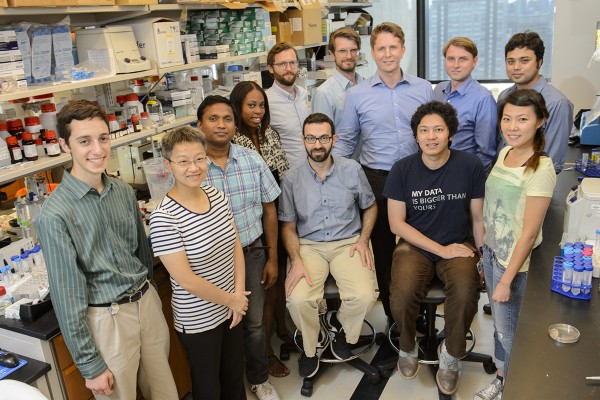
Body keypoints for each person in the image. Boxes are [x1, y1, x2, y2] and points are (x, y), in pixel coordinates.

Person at [36, 100, 178, 399]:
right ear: (64, 145)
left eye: (103, 138)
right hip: (107, 320)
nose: (98, 149)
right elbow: (67, 295)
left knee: (165, 391)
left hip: (146, 304)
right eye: (84, 141)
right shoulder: (54, 214)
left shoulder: (123, 191)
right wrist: (89, 363)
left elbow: (141, 254)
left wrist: (151, 295)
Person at [334, 22, 434, 322]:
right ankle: (395, 319)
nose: (387, 54)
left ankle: (417, 313)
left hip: (418, 176)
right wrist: (329, 177)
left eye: (393, 47)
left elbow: (434, 133)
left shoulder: (423, 88)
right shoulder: (357, 94)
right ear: (373, 52)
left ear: (403, 49)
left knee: (420, 245)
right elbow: (347, 140)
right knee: (383, 249)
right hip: (376, 179)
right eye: (381, 48)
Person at [383, 101, 485, 396]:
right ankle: (407, 346)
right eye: (424, 130)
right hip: (415, 245)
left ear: (450, 133)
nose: (431, 136)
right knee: (401, 292)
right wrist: (440, 250)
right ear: (416, 136)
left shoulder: (470, 166)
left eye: (438, 129)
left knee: (466, 290)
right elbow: (396, 224)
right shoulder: (402, 169)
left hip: (458, 244)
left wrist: (483, 261)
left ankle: (451, 356)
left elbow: (478, 219)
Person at [150, 126, 248, 400]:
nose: (193, 168)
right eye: (183, 161)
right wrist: (232, 300)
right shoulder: (164, 218)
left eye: (199, 159)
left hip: (232, 307)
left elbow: (235, 245)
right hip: (199, 319)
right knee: (209, 389)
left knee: (234, 378)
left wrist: (238, 294)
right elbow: (186, 279)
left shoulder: (217, 195)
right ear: (168, 165)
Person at [279, 113, 378, 378]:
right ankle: (312, 347)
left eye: (323, 138)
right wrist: (296, 259)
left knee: (365, 295)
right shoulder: (291, 178)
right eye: (311, 138)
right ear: (303, 140)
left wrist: (363, 240)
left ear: (334, 139)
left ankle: (341, 328)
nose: (318, 145)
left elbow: (370, 207)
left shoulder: (352, 169)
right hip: (308, 246)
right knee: (298, 299)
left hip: (348, 242)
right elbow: (288, 225)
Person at [198, 95, 281, 400]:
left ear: (235, 124)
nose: (221, 125)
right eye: (213, 119)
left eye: (227, 119)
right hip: (211, 261)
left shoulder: (251, 159)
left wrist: (272, 257)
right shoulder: (193, 167)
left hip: (252, 252)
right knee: (221, 325)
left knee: (254, 323)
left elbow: (270, 210)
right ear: (200, 125)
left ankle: (258, 379)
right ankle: (228, 385)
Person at [474, 89, 556, 400]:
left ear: (540, 121)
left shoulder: (541, 168)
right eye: (507, 119)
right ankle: (501, 379)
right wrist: (485, 252)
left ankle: (515, 390)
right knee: (499, 328)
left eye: (522, 119)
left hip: (514, 265)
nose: (512, 126)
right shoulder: (505, 153)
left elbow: (530, 232)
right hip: (493, 253)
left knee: (510, 335)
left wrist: (506, 280)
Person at [230, 81, 291, 378]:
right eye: (251, 105)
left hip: (276, 215)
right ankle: (265, 352)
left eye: (261, 105)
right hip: (253, 221)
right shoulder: (233, 141)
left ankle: (281, 330)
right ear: (237, 107)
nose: (258, 111)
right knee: (262, 289)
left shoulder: (270, 134)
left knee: (277, 280)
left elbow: (283, 175)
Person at [497, 31, 573, 174]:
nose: (516, 67)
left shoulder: (557, 103)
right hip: (501, 175)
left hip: (532, 179)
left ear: (539, 62)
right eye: (511, 61)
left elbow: (553, 161)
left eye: (524, 61)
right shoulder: (504, 96)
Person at [433, 37, 497, 170]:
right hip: (434, 168)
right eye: (451, 59)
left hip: (463, 172)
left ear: (474, 61)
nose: (456, 65)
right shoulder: (439, 90)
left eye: (463, 59)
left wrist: (470, 177)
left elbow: (486, 152)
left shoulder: (483, 98)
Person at [265, 42, 310, 169]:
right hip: (289, 174)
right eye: (282, 64)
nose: (289, 68)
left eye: (292, 63)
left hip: (313, 168)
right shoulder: (266, 101)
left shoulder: (303, 94)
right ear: (271, 68)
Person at [312, 27, 364, 132]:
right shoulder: (324, 94)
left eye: (353, 50)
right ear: (332, 55)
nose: (349, 56)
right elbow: (322, 136)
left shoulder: (365, 85)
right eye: (342, 51)